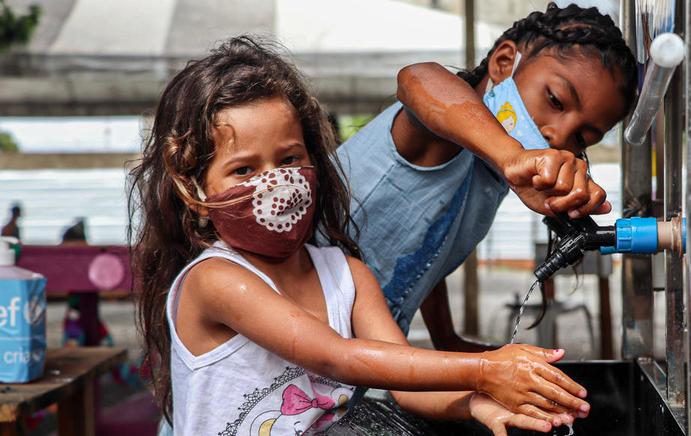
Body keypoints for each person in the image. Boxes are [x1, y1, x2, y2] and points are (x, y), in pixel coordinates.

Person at [131, 36, 590, 436]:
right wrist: (486, 369)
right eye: (244, 170)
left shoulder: (348, 276)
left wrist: (475, 403)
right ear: (194, 193)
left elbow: (406, 386)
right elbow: (336, 357)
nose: (275, 182)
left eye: (290, 160)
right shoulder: (214, 280)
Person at [336, 2, 638, 350]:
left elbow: (425, 247)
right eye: (555, 100)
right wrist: (512, 156)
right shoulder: (445, 136)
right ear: (504, 63)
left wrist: (446, 338)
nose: (558, 135)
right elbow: (418, 78)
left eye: (582, 138)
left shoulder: (490, 174)